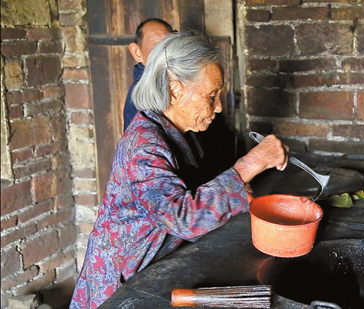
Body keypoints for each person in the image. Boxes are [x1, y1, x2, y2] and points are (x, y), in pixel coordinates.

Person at [70, 32, 289, 309]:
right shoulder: (144, 144)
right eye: (211, 96)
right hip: (120, 281)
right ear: (175, 91)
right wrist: (250, 164)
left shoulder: (179, 132)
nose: (219, 107)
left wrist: (235, 190)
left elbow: (189, 192)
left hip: (152, 264)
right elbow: (180, 216)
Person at [124, 18, 173, 132]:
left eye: (169, 45)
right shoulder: (141, 101)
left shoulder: (169, 81)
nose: (165, 54)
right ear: (137, 52)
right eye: (156, 48)